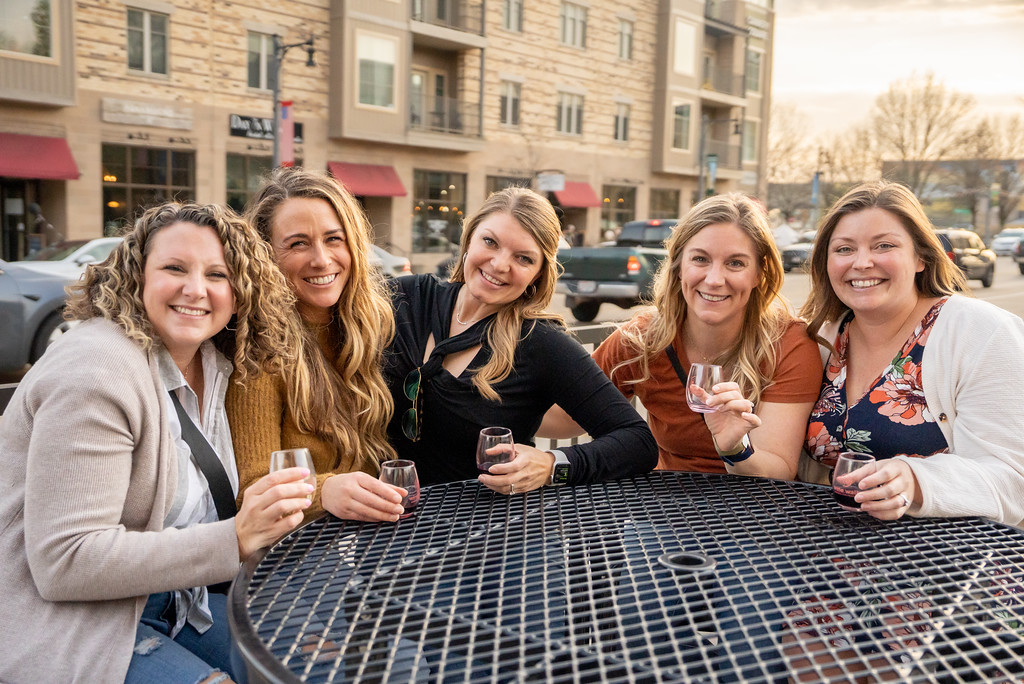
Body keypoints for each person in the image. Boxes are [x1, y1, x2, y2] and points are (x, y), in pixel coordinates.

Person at [0, 203, 315, 682]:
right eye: (174, 268)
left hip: (176, 599)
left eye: (217, 274)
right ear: (136, 276)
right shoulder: (96, 370)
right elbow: (65, 562)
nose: (195, 289)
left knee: (321, 659)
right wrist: (234, 537)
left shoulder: (212, 360)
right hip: (67, 620)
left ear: (240, 290)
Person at [385, 186, 657, 492]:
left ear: (539, 274)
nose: (500, 264)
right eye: (490, 242)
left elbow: (637, 442)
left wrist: (553, 464)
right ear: (469, 238)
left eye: (524, 258)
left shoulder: (539, 342)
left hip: (493, 531)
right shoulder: (404, 298)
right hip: (390, 523)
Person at [541, 193, 822, 479]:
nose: (714, 279)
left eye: (735, 263)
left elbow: (779, 471)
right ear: (678, 266)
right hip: (668, 509)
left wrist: (735, 448)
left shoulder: (789, 343)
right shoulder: (641, 340)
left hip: (758, 511)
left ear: (759, 273)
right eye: (700, 259)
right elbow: (566, 417)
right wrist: (497, 399)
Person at [800, 181, 1024, 526]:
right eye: (844, 249)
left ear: (921, 257)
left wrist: (916, 480)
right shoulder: (819, 339)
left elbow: (1013, 481)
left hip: (952, 563)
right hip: (833, 556)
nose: (861, 262)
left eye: (884, 245)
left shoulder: (982, 332)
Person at [227, 167, 406, 523]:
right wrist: (325, 491)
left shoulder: (374, 325)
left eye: (333, 239)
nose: (322, 259)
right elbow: (253, 488)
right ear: (266, 255)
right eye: (298, 243)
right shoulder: (262, 350)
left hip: (378, 540)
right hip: (303, 560)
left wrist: (550, 460)